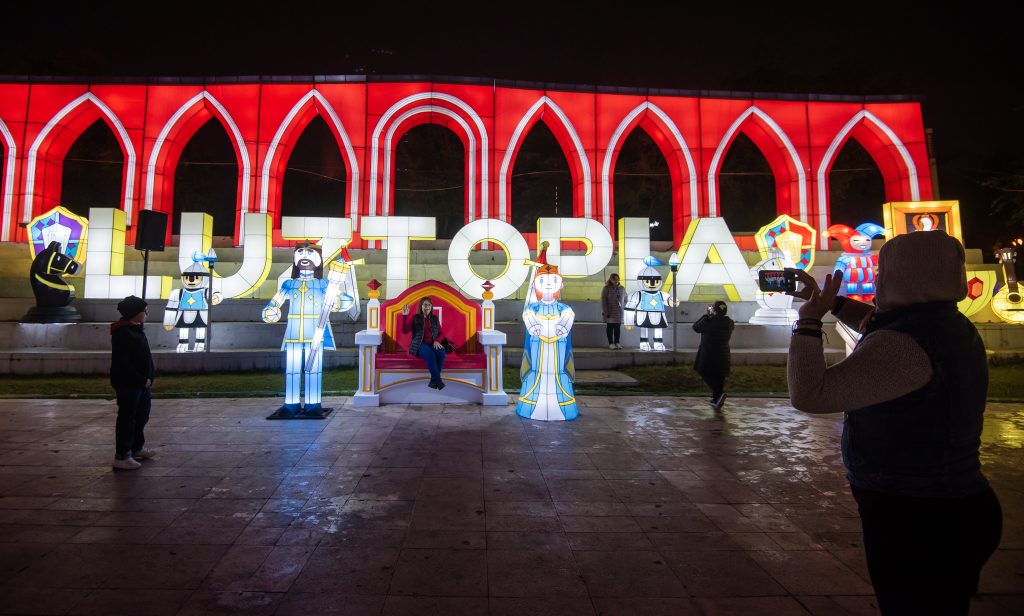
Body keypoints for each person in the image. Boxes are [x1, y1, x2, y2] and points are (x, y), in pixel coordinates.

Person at [786, 230, 1002, 616]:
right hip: (955, 507)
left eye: (884, 271)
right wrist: (830, 302)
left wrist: (807, 324)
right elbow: (874, 320)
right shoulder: (948, 324)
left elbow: (810, 394)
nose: (876, 280)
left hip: (918, 520)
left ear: (902, 275)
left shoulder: (901, 346)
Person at [516, 264, 577, 421]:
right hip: (538, 349)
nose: (548, 283)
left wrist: (562, 326)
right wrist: (534, 325)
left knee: (559, 375)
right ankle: (533, 404)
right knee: (536, 374)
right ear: (536, 284)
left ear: (560, 284)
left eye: (553, 280)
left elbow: (567, 320)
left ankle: (560, 405)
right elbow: (529, 319)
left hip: (558, 349)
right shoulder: (532, 308)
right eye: (542, 279)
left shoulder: (565, 309)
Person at [109, 295, 156, 471]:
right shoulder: (122, 332)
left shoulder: (135, 329)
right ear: (134, 313)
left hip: (142, 383)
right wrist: (141, 379)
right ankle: (122, 454)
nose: (146, 313)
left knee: (141, 415)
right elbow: (123, 362)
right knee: (128, 418)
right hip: (129, 383)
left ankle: (136, 447)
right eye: (143, 310)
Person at [692, 300, 734, 409]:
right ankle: (717, 399)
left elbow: (696, 327)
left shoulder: (708, 321)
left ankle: (719, 394)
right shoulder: (729, 322)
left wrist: (706, 316)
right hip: (723, 354)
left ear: (714, 311)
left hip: (709, 354)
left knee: (704, 372)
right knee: (719, 377)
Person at [402, 296, 447, 389]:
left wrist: (437, 341)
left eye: (429, 305)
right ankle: (438, 380)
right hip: (420, 345)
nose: (427, 307)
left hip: (432, 344)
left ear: (431, 306)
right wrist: (405, 316)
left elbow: (441, 333)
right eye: (425, 305)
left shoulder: (434, 318)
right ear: (421, 306)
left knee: (442, 352)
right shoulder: (416, 318)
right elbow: (404, 331)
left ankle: (433, 381)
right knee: (430, 354)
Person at [601, 273, 626, 349]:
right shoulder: (606, 288)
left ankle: (617, 342)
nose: (616, 281)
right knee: (610, 328)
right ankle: (611, 343)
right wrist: (605, 312)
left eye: (617, 279)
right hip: (609, 312)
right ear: (611, 279)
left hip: (619, 312)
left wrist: (623, 306)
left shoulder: (622, 288)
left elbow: (626, 299)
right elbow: (603, 300)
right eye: (614, 279)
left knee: (617, 328)